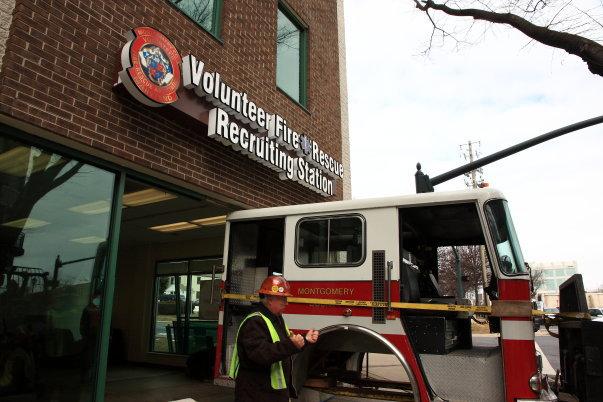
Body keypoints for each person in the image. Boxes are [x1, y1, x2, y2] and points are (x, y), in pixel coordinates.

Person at [229, 275, 319, 402]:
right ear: (270, 299)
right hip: (256, 394)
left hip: (268, 393)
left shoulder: (276, 318)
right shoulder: (255, 321)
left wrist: (305, 339)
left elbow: (286, 343)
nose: (286, 303)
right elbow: (261, 354)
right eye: (283, 298)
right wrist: (292, 345)